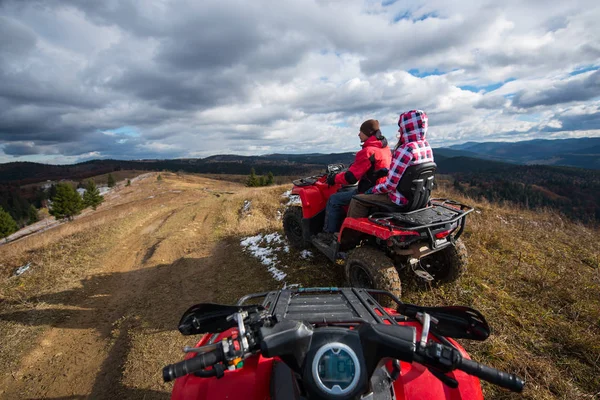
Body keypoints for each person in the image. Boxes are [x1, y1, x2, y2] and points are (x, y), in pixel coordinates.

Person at [347, 110, 434, 219]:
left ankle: (351, 234)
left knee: (357, 200)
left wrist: (372, 190)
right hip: (417, 198)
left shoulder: (406, 150)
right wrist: (387, 172)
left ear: (408, 128)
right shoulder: (426, 147)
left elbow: (389, 186)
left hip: (399, 199)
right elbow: (410, 173)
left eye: (401, 127)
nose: (399, 130)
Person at [318, 119, 391, 242]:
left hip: (368, 191)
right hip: (382, 188)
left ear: (368, 133)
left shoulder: (368, 151)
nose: (358, 134)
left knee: (334, 199)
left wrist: (334, 178)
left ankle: (329, 234)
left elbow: (350, 178)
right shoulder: (385, 149)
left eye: (361, 132)